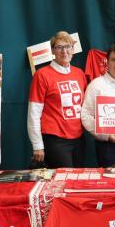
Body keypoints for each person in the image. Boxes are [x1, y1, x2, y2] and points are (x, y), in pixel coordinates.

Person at [27, 31, 87, 168]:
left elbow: (84, 107)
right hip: (56, 140)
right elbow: (33, 113)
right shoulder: (42, 75)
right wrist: (37, 145)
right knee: (64, 178)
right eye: (59, 47)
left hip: (78, 138)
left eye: (68, 46)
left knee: (77, 178)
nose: (64, 51)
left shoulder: (79, 73)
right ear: (53, 50)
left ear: (73, 49)